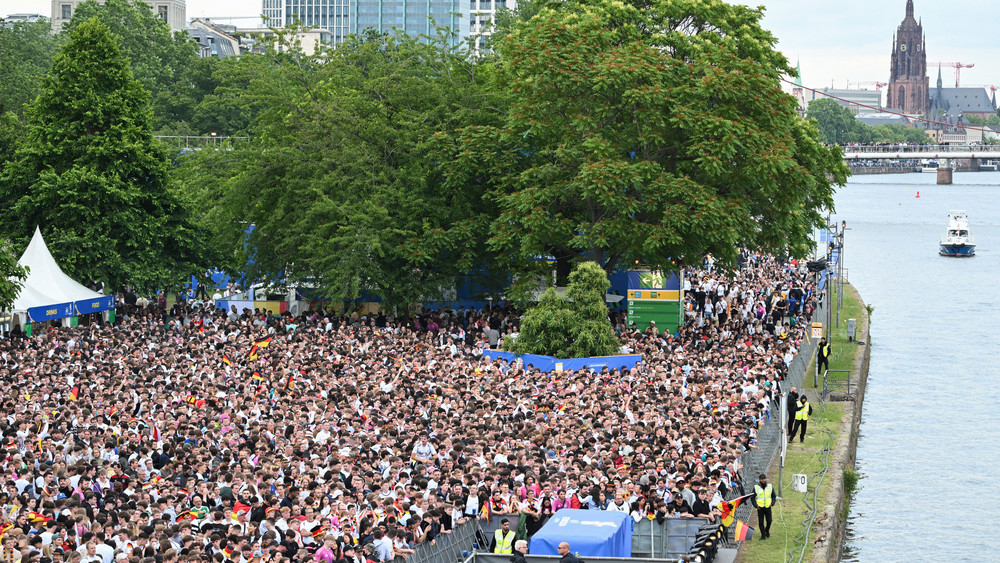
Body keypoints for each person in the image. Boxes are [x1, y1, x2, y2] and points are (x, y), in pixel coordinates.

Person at [753, 474, 776, 540]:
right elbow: (752, 497)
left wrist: (772, 503)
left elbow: (774, 496)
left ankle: (767, 530)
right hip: (760, 507)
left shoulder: (770, 486)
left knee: (769, 521)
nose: (763, 480)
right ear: (759, 479)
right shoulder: (756, 487)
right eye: (762, 479)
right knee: (761, 522)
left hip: (768, 506)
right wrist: (755, 505)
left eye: (764, 478)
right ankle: (763, 535)